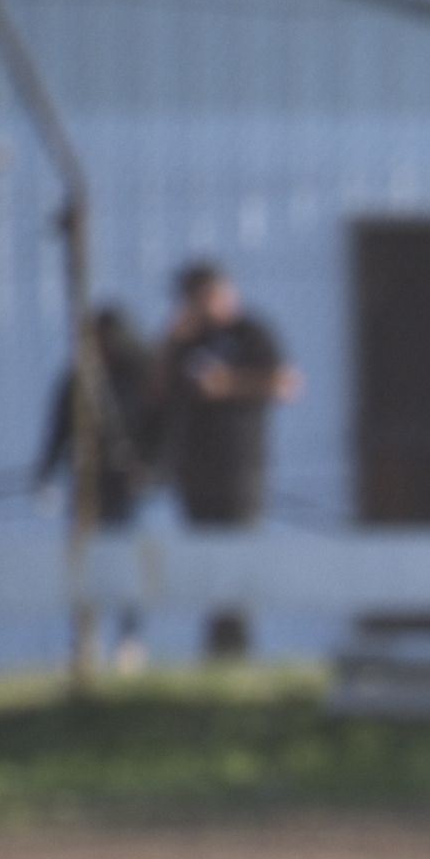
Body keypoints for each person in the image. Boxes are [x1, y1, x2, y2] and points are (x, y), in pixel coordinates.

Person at [159, 259, 299, 657]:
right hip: (192, 471)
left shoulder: (250, 333)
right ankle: (216, 646)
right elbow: (155, 390)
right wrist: (170, 339)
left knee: (238, 559)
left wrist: (229, 385)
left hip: (240, 468)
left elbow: (285, 382)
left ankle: (236, 647)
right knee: (205, 562)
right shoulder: (184, 342)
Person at [32, 302, 156, 531]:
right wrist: (45, 472)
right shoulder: (79, 380)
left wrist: (150, 466)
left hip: (124, 477)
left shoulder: (141, 376)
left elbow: (157, 426)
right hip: (87, 474)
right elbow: (59, 429)